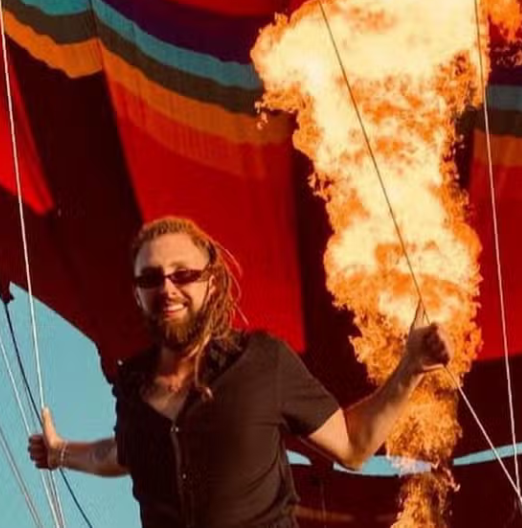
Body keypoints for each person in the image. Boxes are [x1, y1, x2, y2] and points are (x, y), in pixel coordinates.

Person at [28, 216, 452, 528]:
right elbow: (123, 454)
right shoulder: (132, 385)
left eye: (184, 275)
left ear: (210, 283)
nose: (168, 289)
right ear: (137, 294)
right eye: (151, 279)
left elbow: (353, 445)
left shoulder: (261, 362)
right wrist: (61, 452)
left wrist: (410, 369)